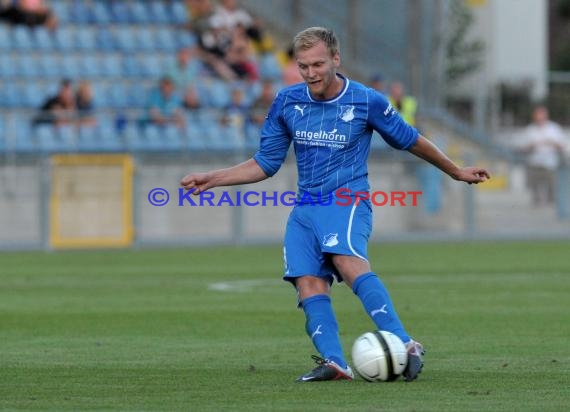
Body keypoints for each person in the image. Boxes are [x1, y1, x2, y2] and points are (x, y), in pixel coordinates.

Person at [180, 27, 490, 382]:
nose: (311, 73)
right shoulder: (287, 102)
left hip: (347, 199)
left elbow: (410, 140)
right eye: (303, 66)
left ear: (335, 60)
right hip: (305, 207)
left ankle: (405, 343)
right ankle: (335, 363)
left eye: (317, 64)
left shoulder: (366, 100)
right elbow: (265, 163)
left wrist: (454, 170)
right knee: (307, 282)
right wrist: (213, 178)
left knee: (346, 261)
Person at [519, 105, 568, 206]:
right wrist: (531, 146)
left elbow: (563, 144)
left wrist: (552, 143)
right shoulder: (530, 130)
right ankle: (537, 203)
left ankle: (552, 204)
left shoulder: (554, 128)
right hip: (535, 161)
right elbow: (522, 147)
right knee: (535, 185)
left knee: (552, 185)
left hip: (550, 163)